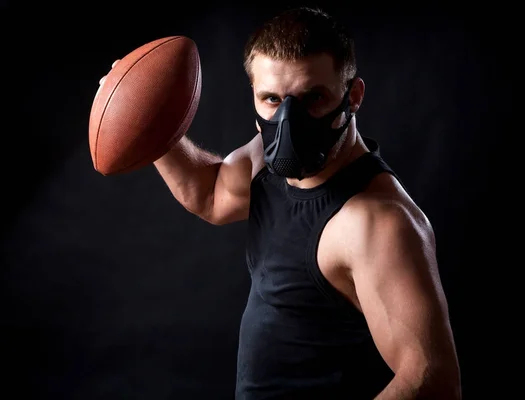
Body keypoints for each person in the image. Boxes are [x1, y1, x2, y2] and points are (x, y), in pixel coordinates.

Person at [99, 7, 461, 399]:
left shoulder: (379, 222)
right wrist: (148, 115)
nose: (290, 122)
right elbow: (210, 195)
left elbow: (433, 379)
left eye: (314, 98)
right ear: (254, 96)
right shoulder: (263, 160)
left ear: (352, 96)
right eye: (272, 100)